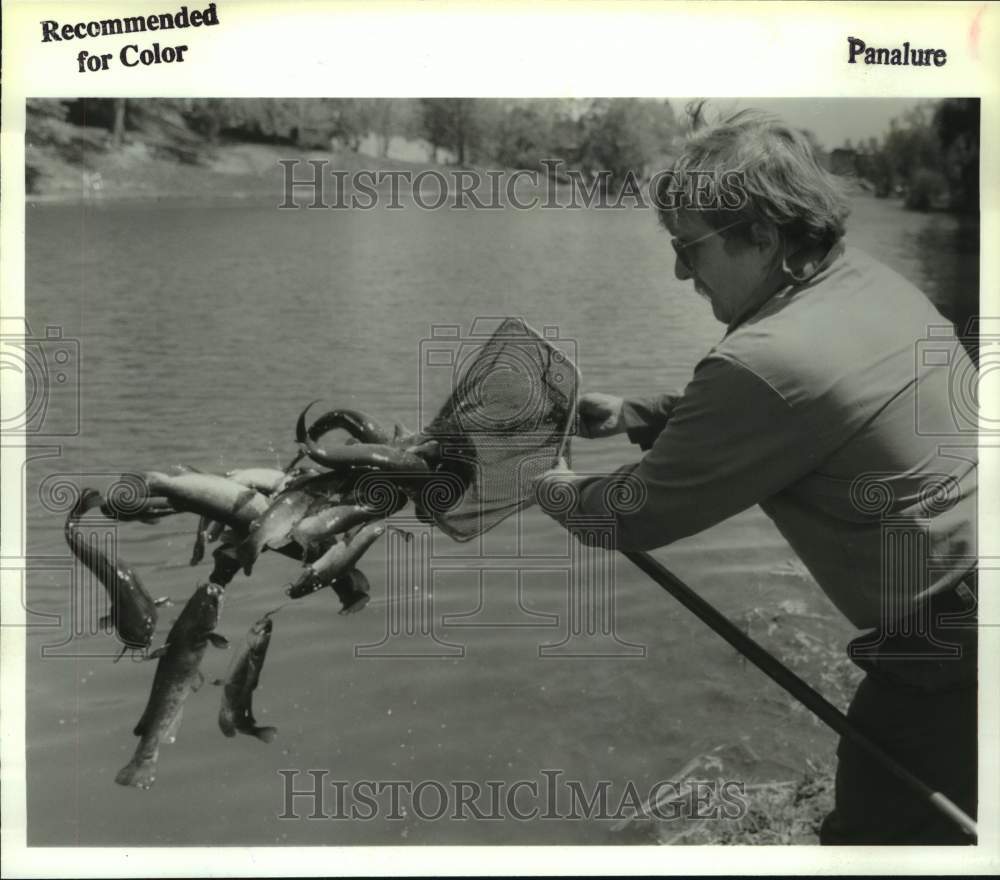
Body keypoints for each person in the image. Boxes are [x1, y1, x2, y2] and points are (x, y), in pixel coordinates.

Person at [534, 110, 978, 845]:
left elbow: (629, 514)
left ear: (763, 237)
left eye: (688, 247)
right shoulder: (870, 284)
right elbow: (810, 412)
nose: (680, 271)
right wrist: (636, 413)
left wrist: (542, 484)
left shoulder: (762, 361)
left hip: (951, 654)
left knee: (875, 846)